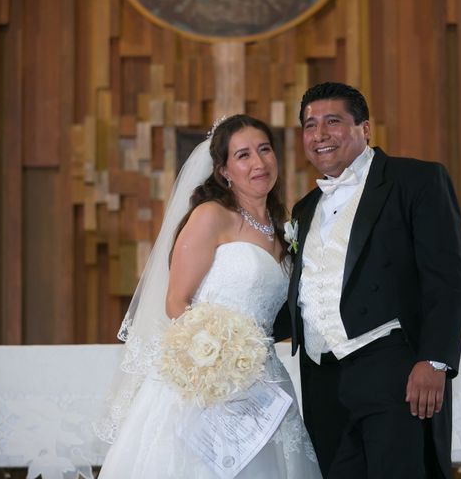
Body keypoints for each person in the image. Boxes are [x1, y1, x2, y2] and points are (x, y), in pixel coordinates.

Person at [95, 114, 322, 479]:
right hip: (206, 383)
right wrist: (215, 361)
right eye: (243, 155)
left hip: (265, 384)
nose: (259, 162)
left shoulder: (283, 230)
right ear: (224, 170)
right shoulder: (211, 216)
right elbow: (176, 301)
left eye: (264, 149)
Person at [282, 82, 461, 478]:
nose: (319, 135)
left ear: (364, 129)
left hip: (392, 369)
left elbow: (447, 279)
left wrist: (434, 360)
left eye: (333, 121)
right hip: (321, 378)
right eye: (310, 125)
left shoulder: (415, 181)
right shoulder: (304, 208)